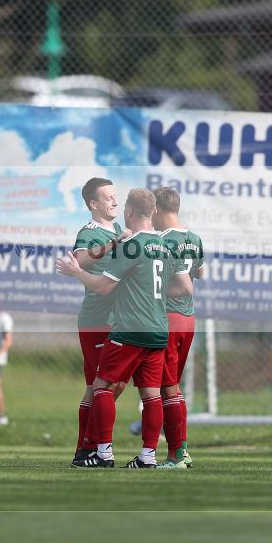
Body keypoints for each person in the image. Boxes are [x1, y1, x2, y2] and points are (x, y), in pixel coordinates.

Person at [57, 189, 192, 468]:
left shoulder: (132, 246)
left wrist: (77, 272)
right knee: (152, 394)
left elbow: (103, 287)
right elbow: (184, 287)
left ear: (129, 212)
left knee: (102, 386)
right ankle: (147, 457)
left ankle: (102, 454)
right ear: (153, 212)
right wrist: (149, 292)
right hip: (159, 330)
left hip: (130, 329)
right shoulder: (166, 246)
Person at [69, 177, 131, 466]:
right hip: (97, 319)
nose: (115, 201)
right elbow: (80, 261)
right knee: (100, 385)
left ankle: (89, 445)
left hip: (119, 320)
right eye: (108, 198)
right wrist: (114, 244)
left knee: (115, 384)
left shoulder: (120, 230)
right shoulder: (90, 232)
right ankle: (86, 449)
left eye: (115, 196)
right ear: (93, 204)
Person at [151, 187, 204, 469]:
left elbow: (183, 286)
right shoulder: (194, 238)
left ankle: (177, 455)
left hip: (168, 319)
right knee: (172, 386)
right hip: (188, 320)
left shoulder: (162, 240)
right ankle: (181, 450)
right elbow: (200, 273)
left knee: (167, 388)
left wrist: (152, 292)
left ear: (157, 209)